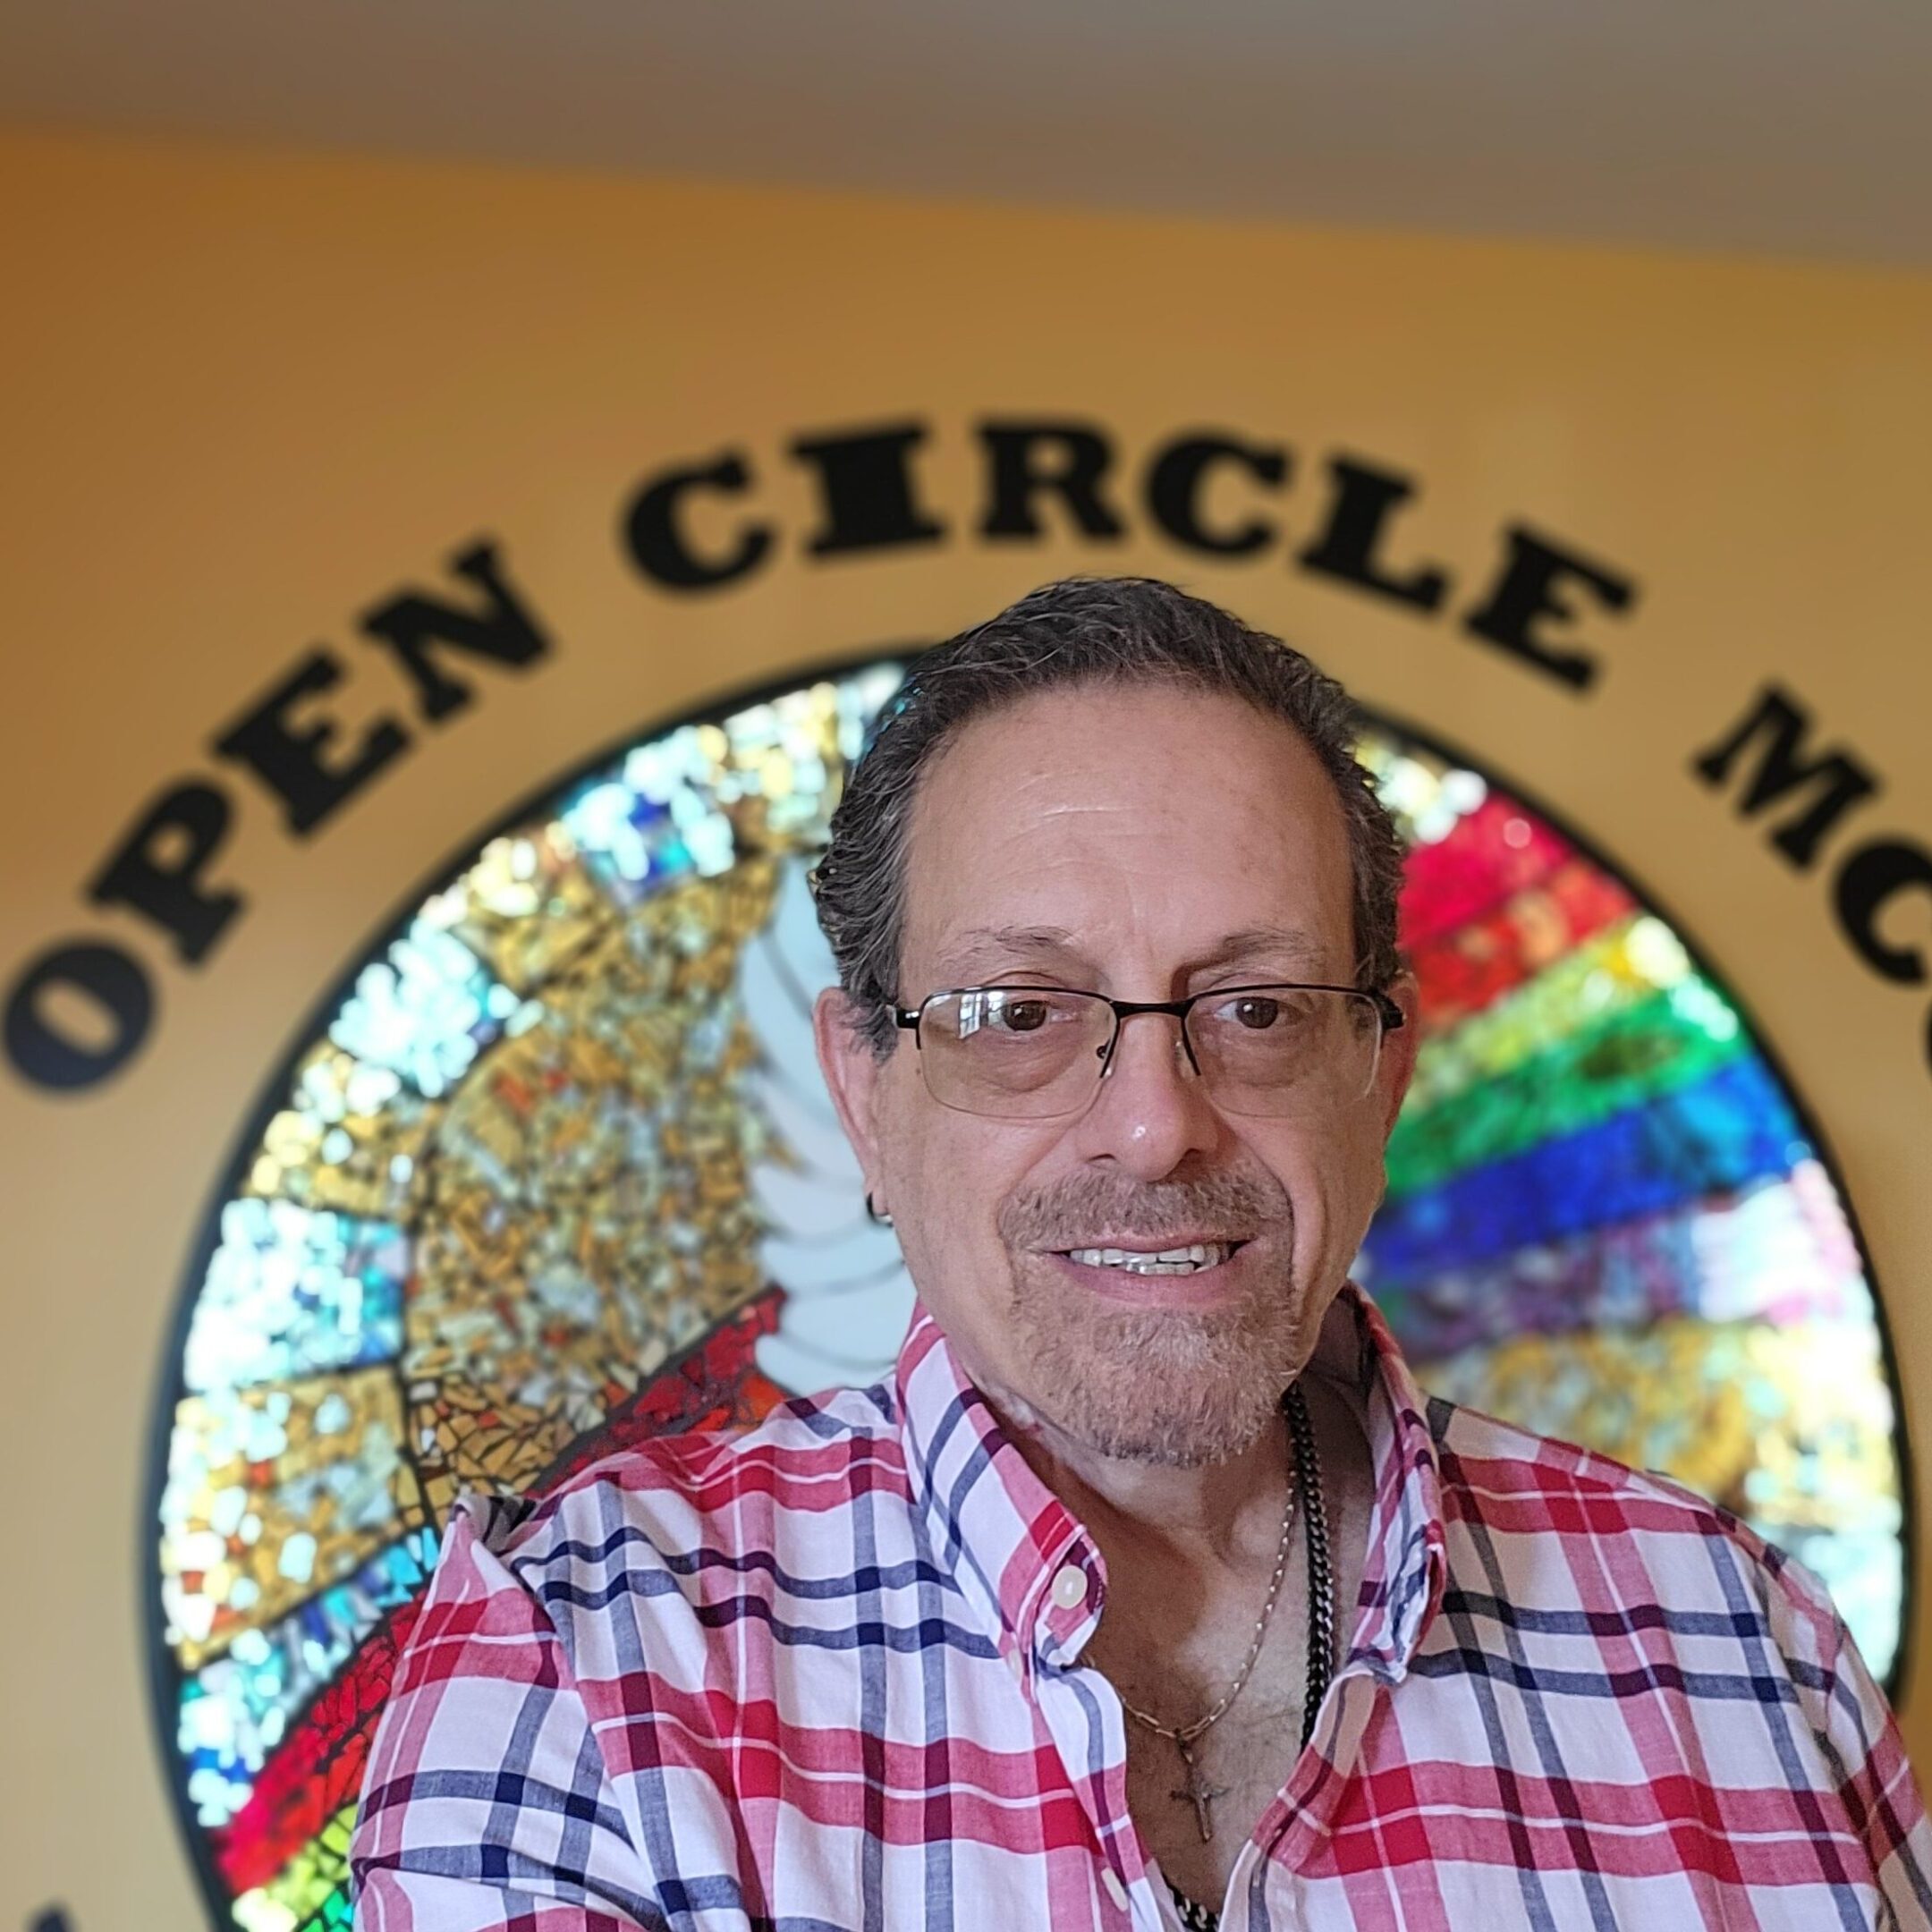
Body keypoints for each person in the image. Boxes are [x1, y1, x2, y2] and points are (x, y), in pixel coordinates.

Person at [352, 578, 1930, 1930]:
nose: (1154, 1128)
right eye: (1020, 1015)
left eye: (1258, 1007)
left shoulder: (1742, 1647)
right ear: (865, 1093)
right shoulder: (587, 1659)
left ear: (1380, 1080)